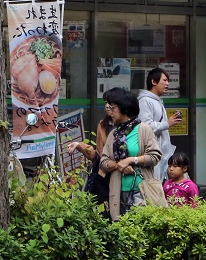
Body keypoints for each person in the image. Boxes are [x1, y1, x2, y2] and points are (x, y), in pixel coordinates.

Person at [99, 88, 162, 221]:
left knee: (139, 226)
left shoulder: (144, 129)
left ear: (125, 108)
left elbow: (154, 156)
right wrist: (118, 165)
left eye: (113, 107)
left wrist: (131, 160)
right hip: (118, 192)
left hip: (141, 190)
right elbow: (103, 162)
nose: (110, 111)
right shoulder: (113, 134)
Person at [67, 87, 119, 206]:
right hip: (104, 175)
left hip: (122, 174)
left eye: (110, 103)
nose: (107, 106)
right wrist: (80, 146)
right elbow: (98, 155)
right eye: (105, 102)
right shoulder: (103, 125)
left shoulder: (128, 126)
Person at [137, 68, 176, 180]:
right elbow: (145, 126)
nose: (167, 84)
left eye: (168, 81)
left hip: (159, 151)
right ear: (154, 81)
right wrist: (167, 124)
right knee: (153, 183)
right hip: (151, 152)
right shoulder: (145, 101)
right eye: (164, 80)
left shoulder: (157, 100)